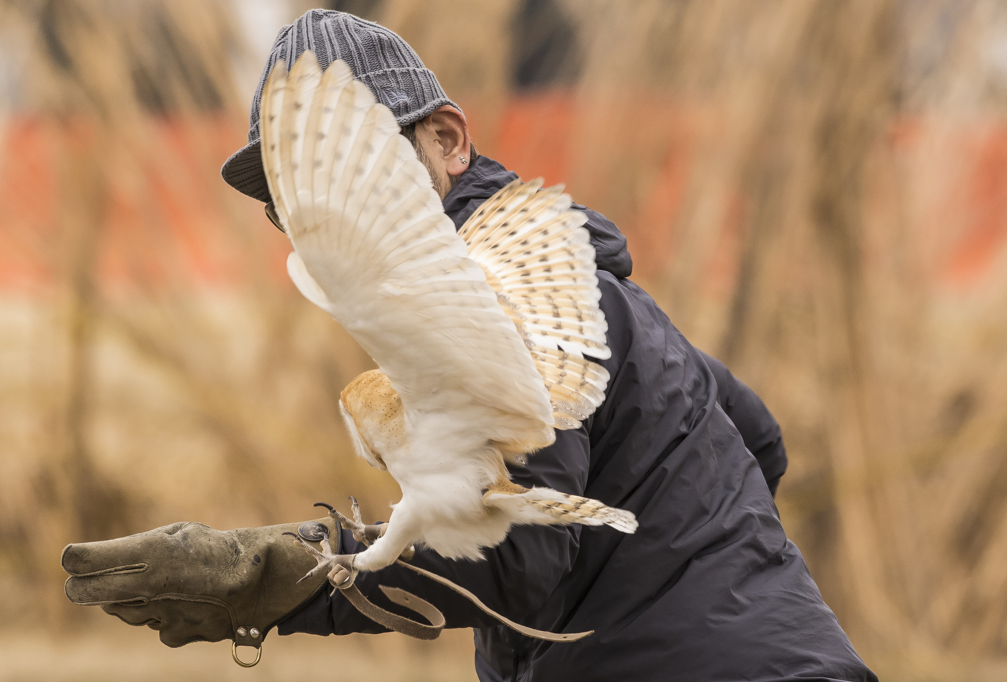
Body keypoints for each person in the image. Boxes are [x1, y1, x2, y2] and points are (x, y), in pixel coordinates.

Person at [62, 10, 876, 681]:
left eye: (347, 164)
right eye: (287, 198)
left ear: (449, 140)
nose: (309, 215)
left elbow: (517, 560)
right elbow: (756, 435)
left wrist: (290, 577)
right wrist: (707, 569)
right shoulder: (597, 296)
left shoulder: (500, 295)